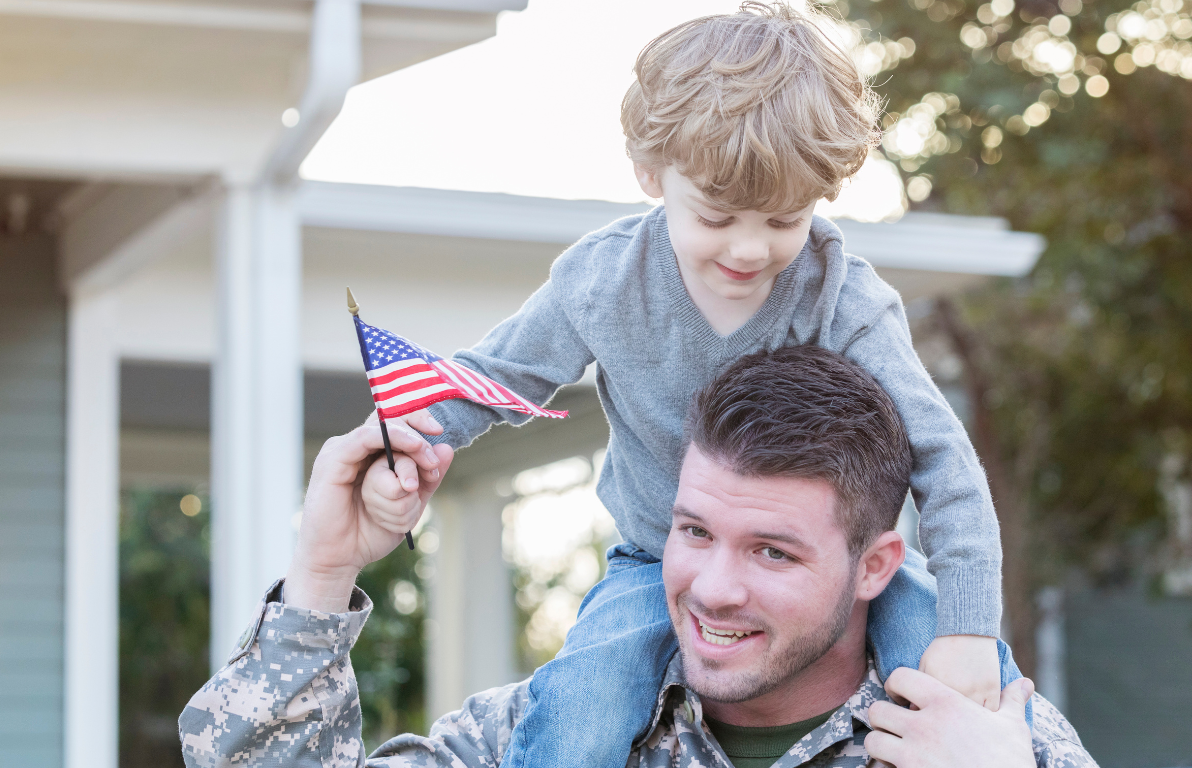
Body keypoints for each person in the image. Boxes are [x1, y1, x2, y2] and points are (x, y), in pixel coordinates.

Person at [377, 5, 1019, 768]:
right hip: (655, 559)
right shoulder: (604, 282)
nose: (750, 248)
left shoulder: (843, 299)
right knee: (578, 724)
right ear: (651, 173)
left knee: (961, 698)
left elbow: (942, 459)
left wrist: (972, 628)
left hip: (837, 573)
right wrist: (411, 441)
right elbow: (495, 375)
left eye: (784, 220)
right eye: (717, 216)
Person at [178, 346, 1096, 768]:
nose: (713, 586)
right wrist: (323, 572)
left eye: (772, 551)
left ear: (876, 565)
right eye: (693, 532)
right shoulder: (543, 736)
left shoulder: (991, 744)